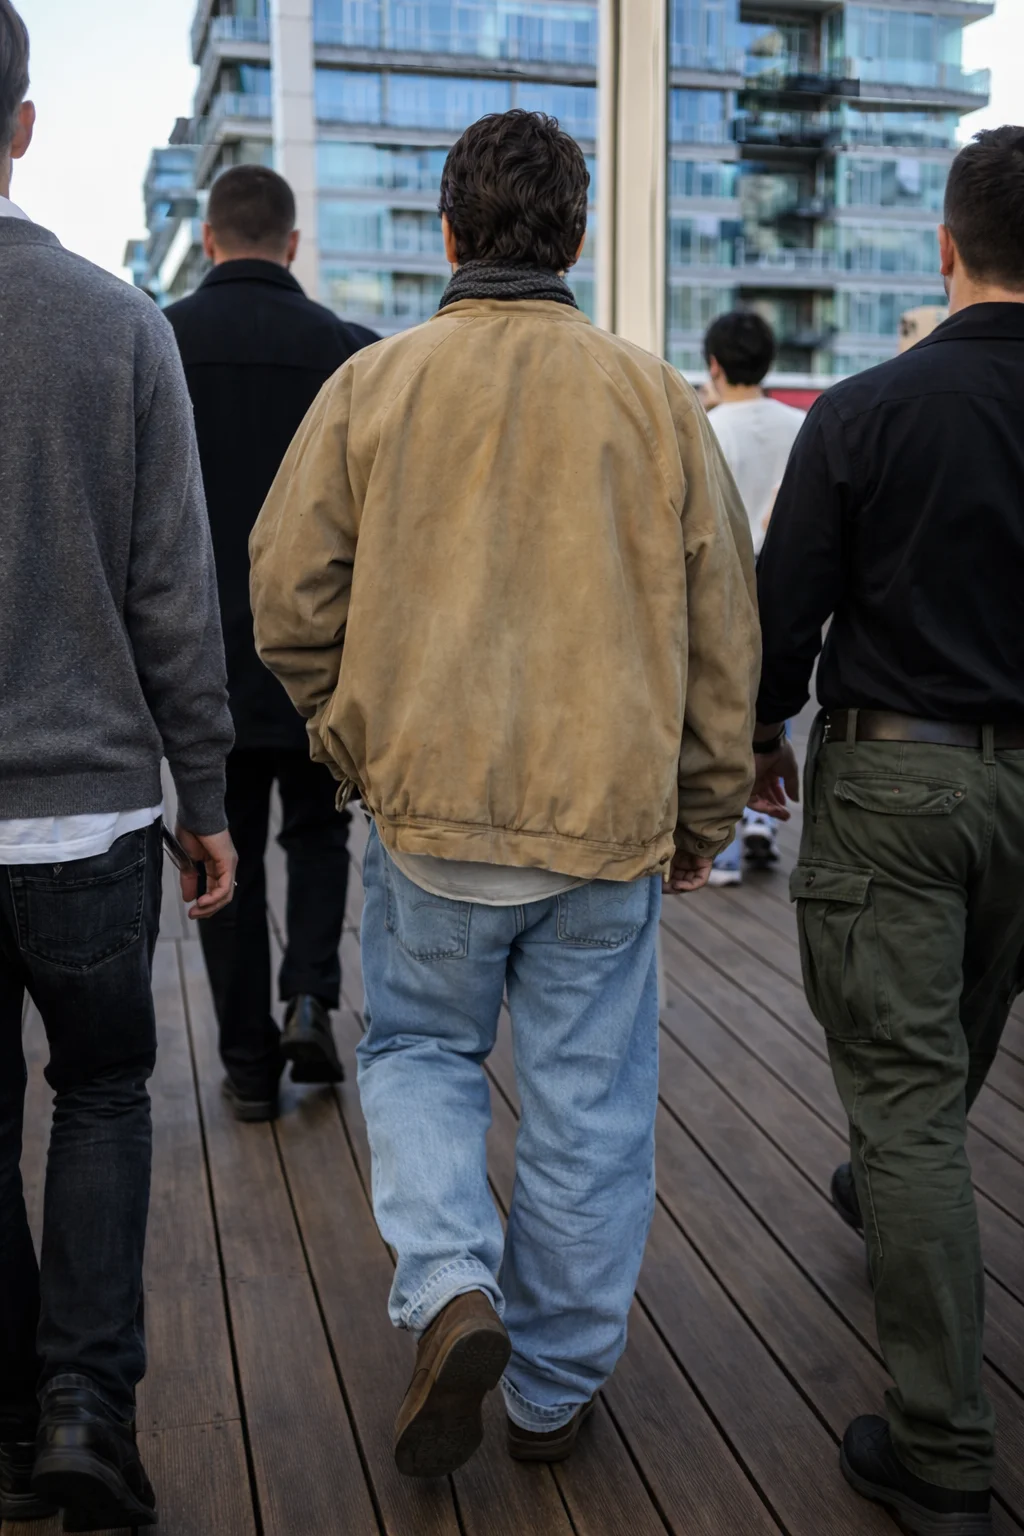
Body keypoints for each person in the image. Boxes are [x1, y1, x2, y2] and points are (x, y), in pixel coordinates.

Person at [251, 108, 759, 1479]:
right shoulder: (658, 401)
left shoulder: (377, 385)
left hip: (427, 820)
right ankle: (549, 1394)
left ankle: (446, 1285)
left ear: (449, 233)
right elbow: (726, 640)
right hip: (603, 826)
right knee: (590, 1106)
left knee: (419, 1053)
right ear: (579, 238)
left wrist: (354, 738)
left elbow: (288, 598)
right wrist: (705, 814)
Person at [750, 126, 1024, 1536]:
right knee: (951, 1043)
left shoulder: (864, 412)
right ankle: (888, 1179)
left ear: (945, 248)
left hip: (899, 779)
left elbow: (783, 602)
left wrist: (756, 739)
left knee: (911, 1096)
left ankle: (943, 1451)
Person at [0, 2, 236, 1528]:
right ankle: (86, 1409)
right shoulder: (113, 322)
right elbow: (172, 592)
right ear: (22, 123)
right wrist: (202, 796)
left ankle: (20, 1393)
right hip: (86, 811)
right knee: (101, 1094)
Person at [166, 167, 377, 1121]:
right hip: (323, 660)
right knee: (320, 831)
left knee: (222, 851)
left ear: (209, 240)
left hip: (197, 663)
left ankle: (248, 1064)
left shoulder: (159, 340)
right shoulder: (351, 354)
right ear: (292, 244)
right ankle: (309, 997)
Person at [702, 311, 804, 887]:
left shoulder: (710, 427)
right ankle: (763, 822)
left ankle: (725, 841)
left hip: (725, 580)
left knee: (721, 708)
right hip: (783, 579)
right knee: (772, 696)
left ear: (714, 365)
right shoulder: (800, 424)